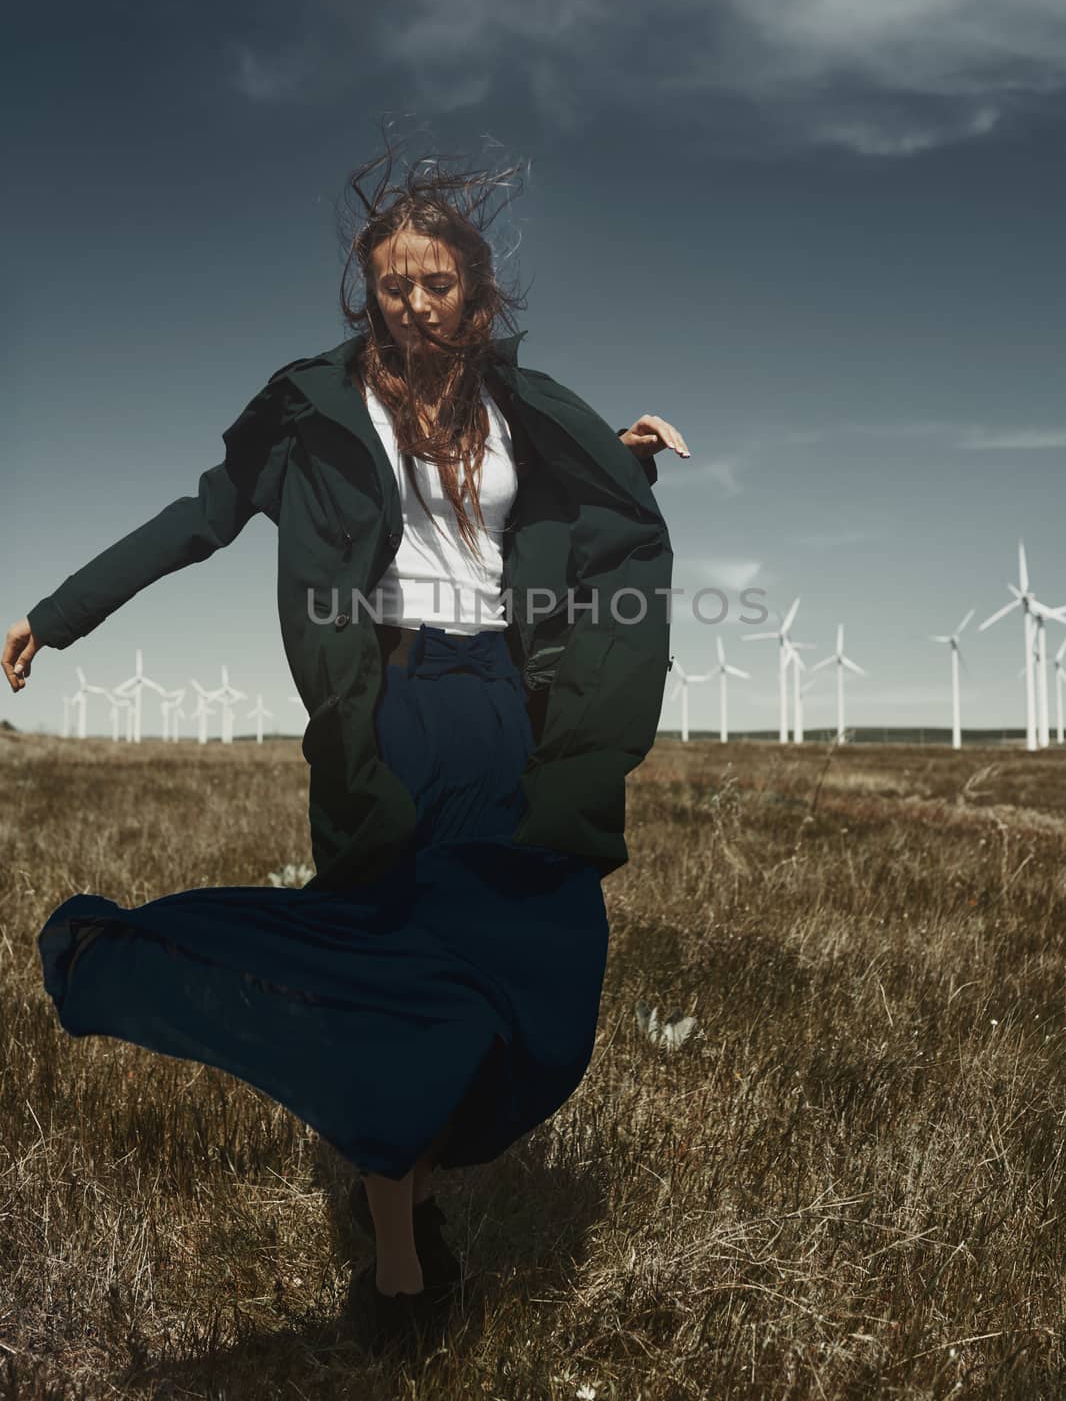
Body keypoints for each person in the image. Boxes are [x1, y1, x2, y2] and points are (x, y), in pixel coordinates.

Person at [3, 137, 689, 1353]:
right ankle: (397, 1259)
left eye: (436, 283)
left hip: (508, 712)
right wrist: (56, 615)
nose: (415, 303)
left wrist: (626, 472)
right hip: (386, 710)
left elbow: (572, 535)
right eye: (392, 284)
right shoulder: (313, 409)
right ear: (365, 292)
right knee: (387, 966)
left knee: (535, 970)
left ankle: (416, 1184)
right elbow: (199, 518)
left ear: (474, 291)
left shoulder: (526, 406)